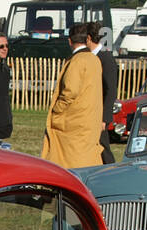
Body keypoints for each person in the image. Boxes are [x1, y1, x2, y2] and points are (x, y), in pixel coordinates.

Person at [40, 23, 103, 169]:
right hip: (88, 120)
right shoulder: (94, 59)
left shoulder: (77, 61)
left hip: (73, 122)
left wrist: (57, 110)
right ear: (87, 39)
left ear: (70, 41)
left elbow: (70, 92)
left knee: (69, 162)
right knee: (86, 160)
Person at [86, 21, 118, 164]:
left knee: (103, 147)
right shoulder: (92, 56)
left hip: (100, 114)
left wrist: (105, 118)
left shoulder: (105, 58)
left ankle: (110, 171)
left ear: (88, 38)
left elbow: (111, 90)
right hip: (91, 111)